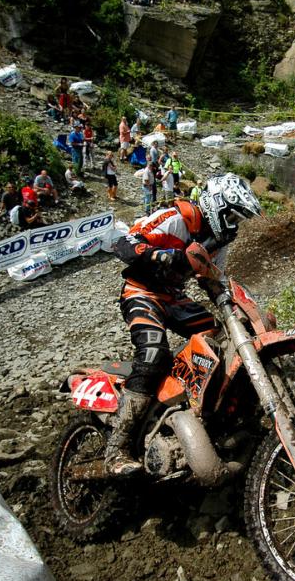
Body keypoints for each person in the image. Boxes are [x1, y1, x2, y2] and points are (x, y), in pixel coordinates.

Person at [105, 173, 261, 475]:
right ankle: (117, 448)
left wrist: (237, 307)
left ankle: (192, 406)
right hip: (141, 292)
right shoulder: (176, 217)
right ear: (217, 204)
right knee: (153, 352)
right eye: (232, 216)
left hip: (173, 298)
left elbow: (213, 280)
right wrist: (161, 256)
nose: (234, 225)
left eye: (239, 220)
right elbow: (124, 244)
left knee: (218, 337)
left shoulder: (218, 244)